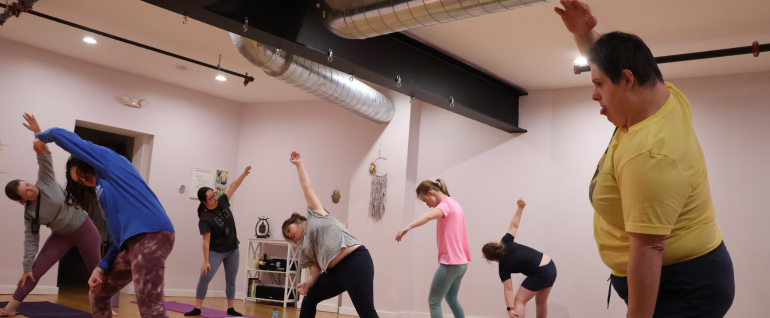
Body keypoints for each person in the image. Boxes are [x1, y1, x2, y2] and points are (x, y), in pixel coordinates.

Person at [554, 1, 735, 317]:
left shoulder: (650, 155)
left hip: (682, 287)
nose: (594, 94)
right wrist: (584, 34)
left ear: (627, 80)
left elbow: (648, 250)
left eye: (599, 84)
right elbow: (620, 64)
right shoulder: (664, 97)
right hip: (681, 274)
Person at [32, 125, 175, 318]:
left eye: (82, 174)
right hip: (132, 243)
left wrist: (41, 138)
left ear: (87, 161)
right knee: (98, 292)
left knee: (151, 310)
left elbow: (59, 134)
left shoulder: (109, 161)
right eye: (79, 181)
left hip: (151, 234)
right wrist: (100, 268)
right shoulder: (103, 191)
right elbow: (118, 240)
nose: (83, 181)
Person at [1, 114, 102, 317]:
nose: (31, 188)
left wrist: (38, 131)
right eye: (26, 191)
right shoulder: (30, 214)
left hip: (85, 228)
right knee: (33, 272)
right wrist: (27, 266)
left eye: (28, 184)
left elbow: (43, 154)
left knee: (97, 271)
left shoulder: (44, 180)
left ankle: (103, 308)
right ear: (22, 200)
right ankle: (10, 309)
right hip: (61, 236)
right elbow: (31, 240)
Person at [281, 151, 378, 318]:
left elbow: (306, 186)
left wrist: (299, 164)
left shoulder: (315, 213)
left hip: (355, 261)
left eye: (289, 230)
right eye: (287, 236)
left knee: (366, 312)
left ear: (297, 221)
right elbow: (315, 270)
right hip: (335, 273)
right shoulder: (304, 249)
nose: (290, 236)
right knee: (309, 299)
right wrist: (307, 283)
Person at [396, 179, 470, 318]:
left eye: (425, 201)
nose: (428, 205)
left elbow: (429, 215)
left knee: (434, 301)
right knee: (451, 299)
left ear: (431, 193)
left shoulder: (446, 205)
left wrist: (408, 227)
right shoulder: (454, 203)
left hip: (450, 263)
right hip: (461, 263)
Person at [184, 167, 252, 317]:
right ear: (203, 201)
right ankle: (197, 308)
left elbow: (232, 186)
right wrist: (206, 261)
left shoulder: (222, 201)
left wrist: (244, 174)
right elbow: (206, 242)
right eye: (210, 197)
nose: (214, 198)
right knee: (205, 278)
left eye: (213, 194)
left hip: (233, 248)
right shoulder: (205, 218)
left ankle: (230, 308)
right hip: (216, 251)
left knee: (231, 280)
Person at [482, 198, 555, 318]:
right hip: (551, 266)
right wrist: (520, 207)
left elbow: (508, 290)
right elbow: (514, 226)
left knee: (519, 301)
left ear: (491, 259)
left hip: (541, 271)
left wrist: (510, 309)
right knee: (541, 302)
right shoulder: (505, 242)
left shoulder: (503, 267)